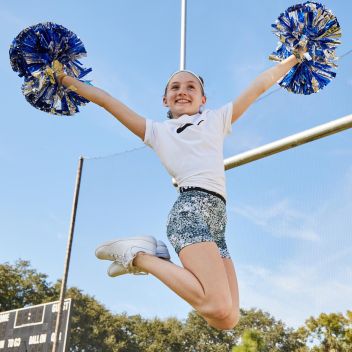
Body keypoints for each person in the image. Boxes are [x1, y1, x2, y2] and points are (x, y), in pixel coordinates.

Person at [55, 52, 301, 330]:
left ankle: (150, 257)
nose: (182, 91)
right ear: (165, 100)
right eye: (175, 87)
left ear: (203, 100)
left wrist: (293, 59)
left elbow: (259, 86)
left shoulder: (216, 119)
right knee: (216, 305)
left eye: (190, 87)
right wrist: (63, 78)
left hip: (217, 223)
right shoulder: (157, 131)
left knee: (227, 319)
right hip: (190, 212)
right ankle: (139, 257)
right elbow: (108, 102)